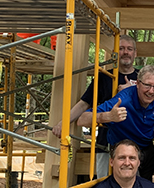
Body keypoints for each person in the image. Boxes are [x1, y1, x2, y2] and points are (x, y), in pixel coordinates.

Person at [53, 35, 139, 177]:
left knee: (134, 187)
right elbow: (84, 103)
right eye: (121, 48)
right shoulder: (104, 77)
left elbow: (153, 108)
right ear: (115, 53)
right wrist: (64, 123)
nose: (125, 52)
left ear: (135, 53)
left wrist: (131, 93)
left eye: (129, 49)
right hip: (105, 143)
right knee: (104, 184)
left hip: (133, 142)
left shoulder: (142, 80)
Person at [77, 65, 154, 180]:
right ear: (138, 83)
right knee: (125, 186)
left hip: (146, 146)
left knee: (145, 186)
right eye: (147, 85)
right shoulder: (122, 101)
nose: (151, 91)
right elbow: (82, 119)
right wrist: (108, 116)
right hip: (124, 147)